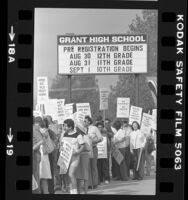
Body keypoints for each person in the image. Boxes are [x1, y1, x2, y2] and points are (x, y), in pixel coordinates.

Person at [60, 119, 85, 194]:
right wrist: (61, 147)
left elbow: (83, 146)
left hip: (75, 158)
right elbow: (61, 144)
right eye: (63, 125)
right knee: (68, 175)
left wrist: (77, 152)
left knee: (71, 174)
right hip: (66, 157)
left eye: (65, 126)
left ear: (70, 127)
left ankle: (75, 191)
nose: (64, 127)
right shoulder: (63, 134)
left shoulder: (78, 135)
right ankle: (71, 191)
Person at [84, 115, 103, 189]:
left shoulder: (94, 128)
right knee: (87, 167)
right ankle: (89, 184)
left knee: (93, 166)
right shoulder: (83, 129)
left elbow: (101, 138)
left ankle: (95, 183)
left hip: (94, 148)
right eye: (83, 121)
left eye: (85, 121)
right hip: (86, 150)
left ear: (89, 121)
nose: (84, 122)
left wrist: (94, 141)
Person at [76, 122, 92, 194]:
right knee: (78, 174)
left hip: (84, 155)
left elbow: (88, 148)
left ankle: (85, 191)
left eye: (77, 128)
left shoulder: (85, 137)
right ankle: (79, 191)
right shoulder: (77, 136)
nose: (76, 129)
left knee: (85, 173)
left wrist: (82, 146)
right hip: (77, 156)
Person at [44, 116, 56, 194]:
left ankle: (51, 190)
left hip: (49, 154)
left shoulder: (50, 132)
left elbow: (54, 142)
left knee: (50, 172)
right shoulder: (48, 132)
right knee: (47, 173)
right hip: (47, 154)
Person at [39, 118, 53, 194]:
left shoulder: (42, 131)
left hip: (42, 154)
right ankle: (46, 192)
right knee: (44, 178)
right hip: (44, 154)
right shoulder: (45, 130)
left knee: (41, 177)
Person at [33, 116, 43, 194]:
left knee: (35, 176)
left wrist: (33, 148)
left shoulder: (34, 129)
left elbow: (41, 141)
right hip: (34, 154)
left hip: (35, 155)